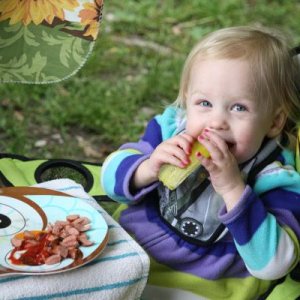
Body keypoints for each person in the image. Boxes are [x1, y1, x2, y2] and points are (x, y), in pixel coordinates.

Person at [101, 26, 300, 299]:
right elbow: (111, 180)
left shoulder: (275, 176)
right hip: (129, 255)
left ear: (274, 122)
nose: (216, 122)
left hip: (205, 285)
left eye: (239, 107)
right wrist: (147, 168)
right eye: (204, 103)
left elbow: (275, 264)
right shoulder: (170, 131)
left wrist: (233, 189)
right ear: (186, 101)